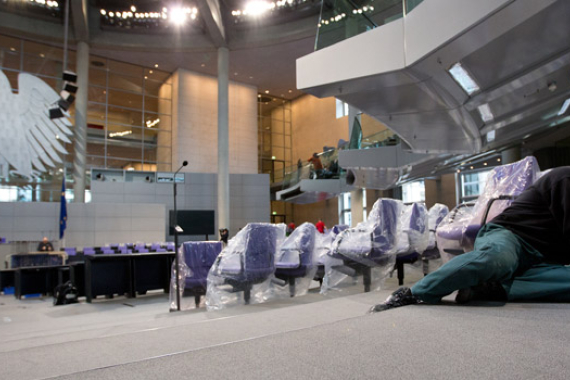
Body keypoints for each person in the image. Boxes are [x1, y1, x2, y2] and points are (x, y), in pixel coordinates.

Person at [373, 167, 570, 311]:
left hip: (542, 259)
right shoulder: (565, 178)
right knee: (496, 259)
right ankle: (415, 293)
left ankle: (493, 288)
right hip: (511, 235)